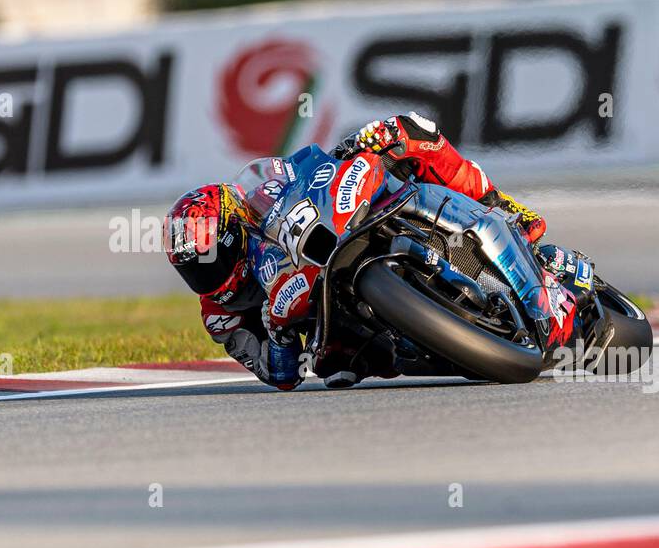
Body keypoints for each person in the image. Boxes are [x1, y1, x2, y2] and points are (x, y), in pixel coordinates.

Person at [162, 112, 562, 390]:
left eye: (208, 258)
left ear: (233, 229)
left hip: (338, 232)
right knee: (336, 369)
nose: (204, 276)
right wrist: (278, 328)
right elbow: (279, 375)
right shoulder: (221, 316)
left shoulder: (259, 200)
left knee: (410, 130)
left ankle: (502, 208)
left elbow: (300, 171)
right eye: (193, 269)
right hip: (334, 330)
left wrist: (360, 147)